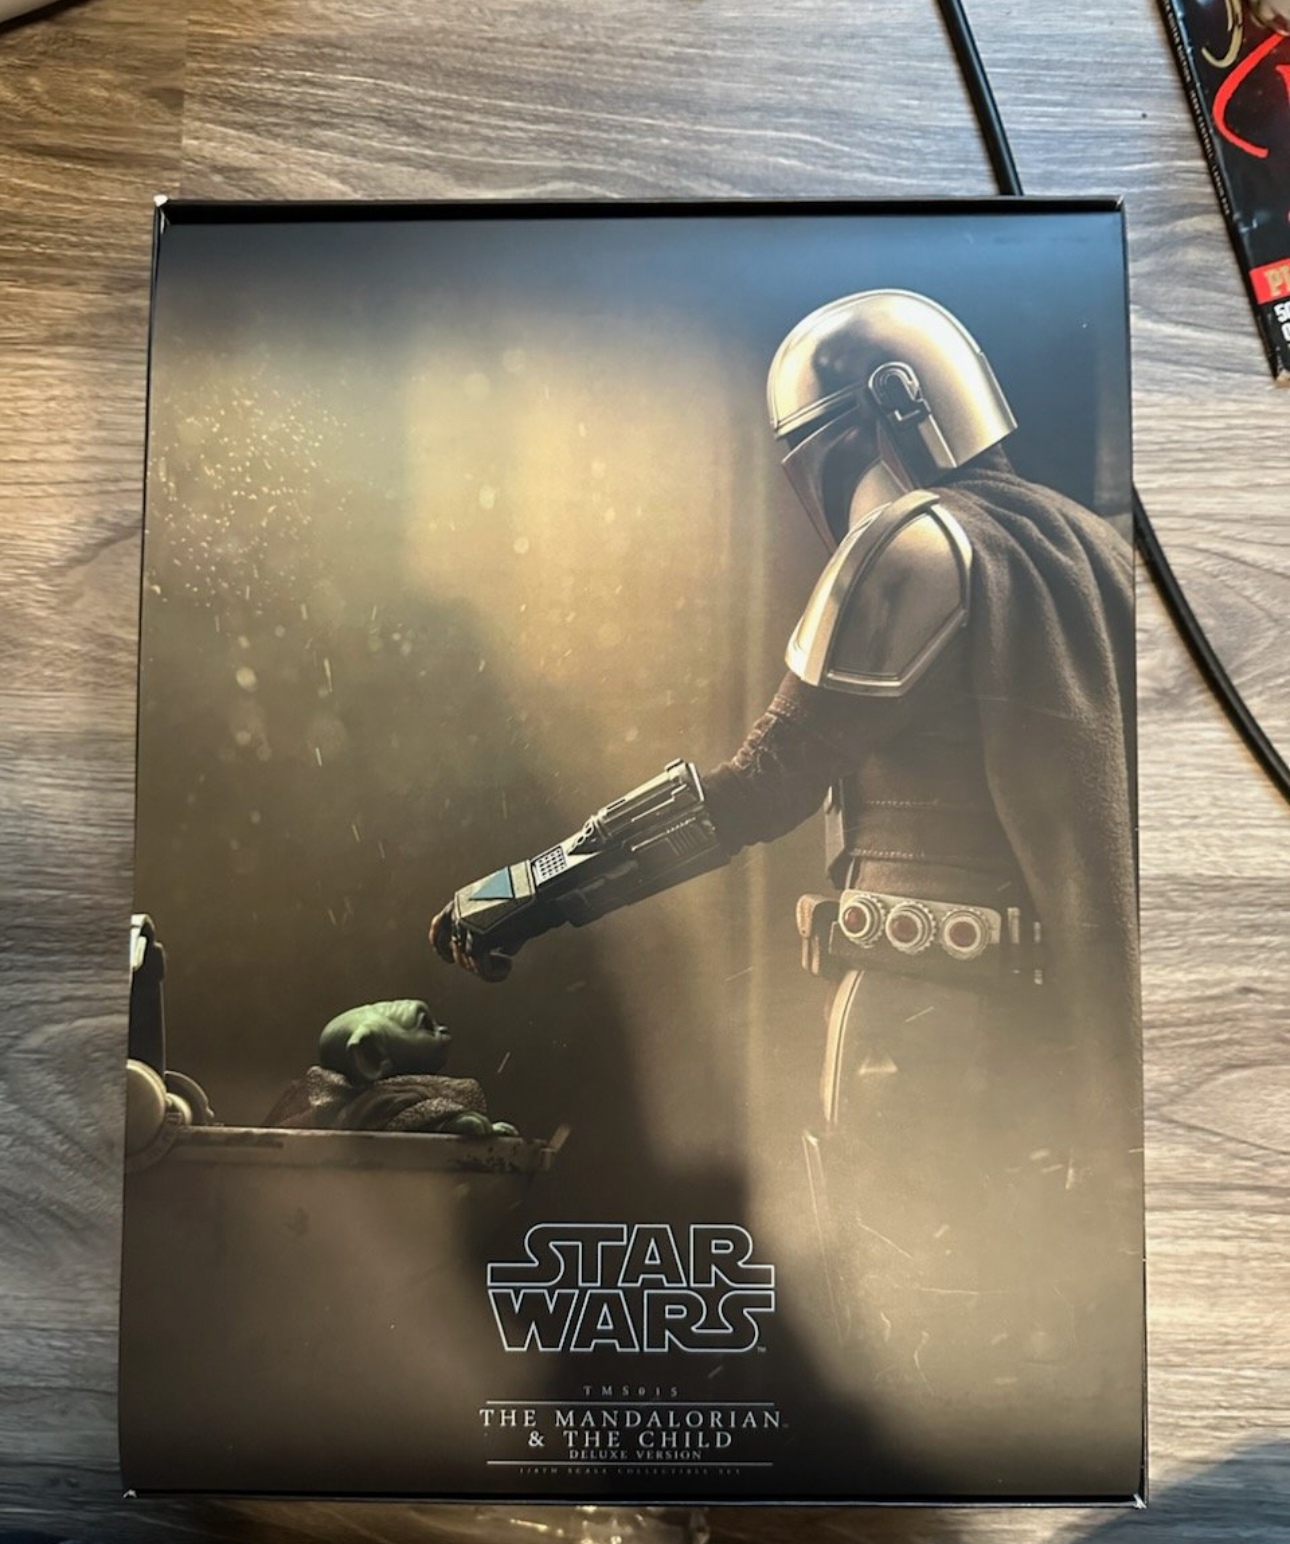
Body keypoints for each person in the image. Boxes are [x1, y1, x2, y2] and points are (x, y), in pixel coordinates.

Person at [430, 291, 1140, 1404]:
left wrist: (530, 888)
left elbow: (763, 786)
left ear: (877, 417)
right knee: (1021, 1324)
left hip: (919, 1017)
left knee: (917, 1321)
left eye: (812, 453)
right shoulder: (1092, 548)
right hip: (1053, 1018)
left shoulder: (914, 545)